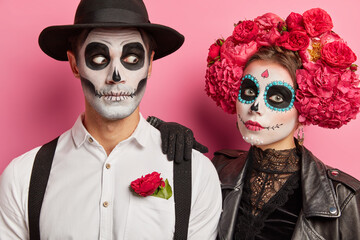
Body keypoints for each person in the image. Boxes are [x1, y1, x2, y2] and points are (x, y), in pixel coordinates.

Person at [0, 0, 221, 239]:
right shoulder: (23, 177)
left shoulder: (196, 174)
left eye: (132, 58)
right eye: (98, 58)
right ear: (75, 65)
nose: (116, 76)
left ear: (149, 64)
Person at [150, 8, 360, 240]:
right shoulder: (216, 169)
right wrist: (158, 137)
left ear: (306, 106)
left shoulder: (344, 196)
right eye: (249, 91)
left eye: (277, 97)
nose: (255, 106)